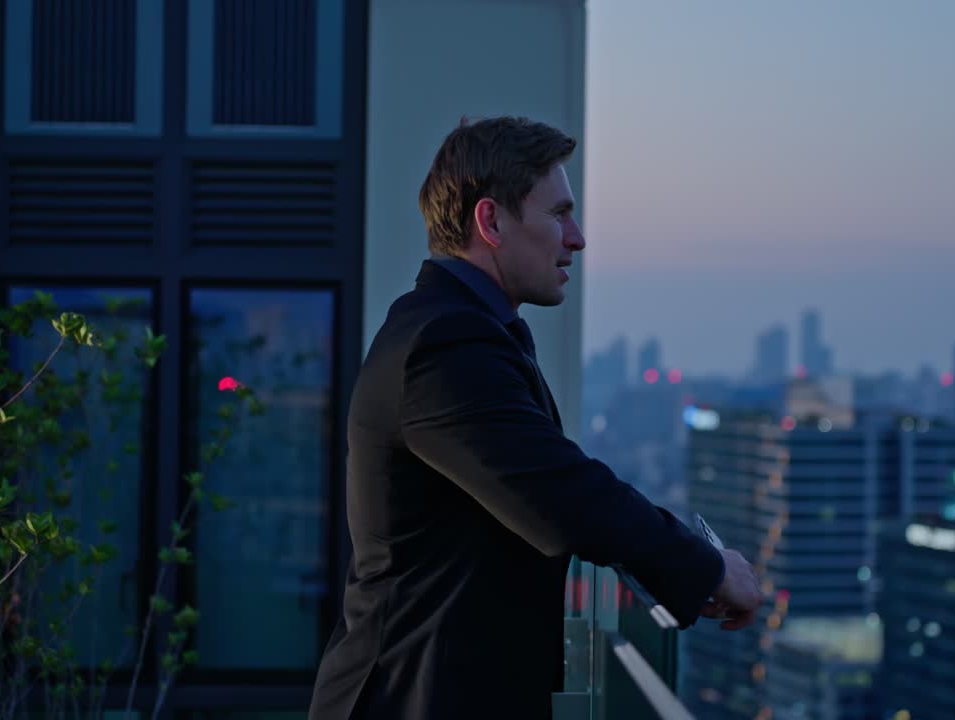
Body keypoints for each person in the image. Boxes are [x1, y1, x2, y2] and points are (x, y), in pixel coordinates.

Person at [308, 116, 762, 719]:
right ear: (491, 221)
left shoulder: (456, 329)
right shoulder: (445, 344)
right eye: (558, 214)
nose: (576, 238)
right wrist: (706, 567)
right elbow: (561, 495)